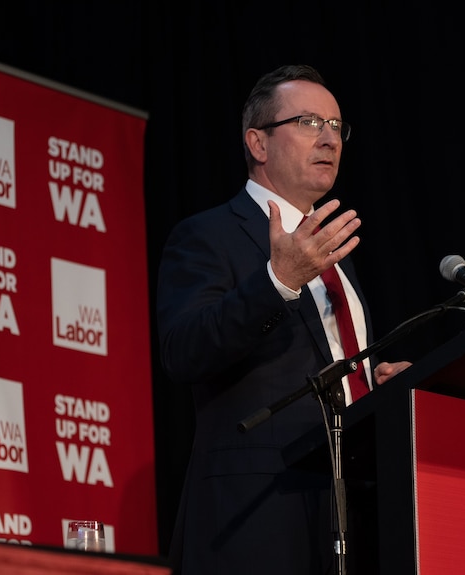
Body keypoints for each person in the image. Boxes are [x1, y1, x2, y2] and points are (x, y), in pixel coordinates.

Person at [156, 64, 411, 575]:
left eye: (338, 126)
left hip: (347, 513)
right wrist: (277, 281)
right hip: (259, 515)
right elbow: (183, 349)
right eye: (310, 122)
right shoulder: (208, 235)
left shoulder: (337, 257)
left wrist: (380, 385)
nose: (330, 139)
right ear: (258, 143)